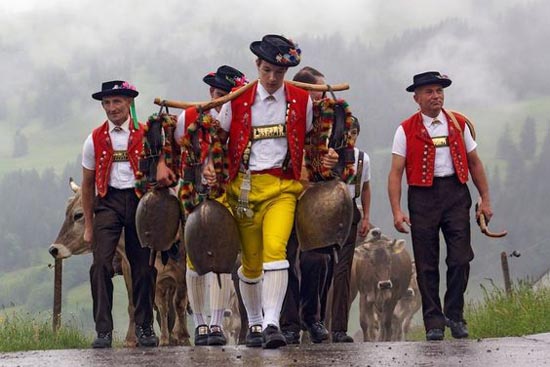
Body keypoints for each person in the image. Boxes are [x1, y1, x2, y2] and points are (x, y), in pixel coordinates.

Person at [203, 34, 338, 349]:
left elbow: (311, 144)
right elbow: (217, 139)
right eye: (267, 71)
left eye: (279, 72)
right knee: (250, 263)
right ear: (257, 66)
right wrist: (211, 165)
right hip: (244, 191)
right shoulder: (236, 99)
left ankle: (273, 323)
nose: (273, 78)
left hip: (282, 188)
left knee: (276, 251)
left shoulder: (302, 101)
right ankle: (255, 323)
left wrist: (325, 157)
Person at [388, 71, 493, 341]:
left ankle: (455, 315)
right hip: (422, 198)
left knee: (461, 258)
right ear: (417, 98)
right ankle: (433, 322)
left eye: (439, 91)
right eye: (429, 92)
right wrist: (397, 211)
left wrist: (486, 198)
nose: (436, 96)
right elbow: (395, 172)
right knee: (426, 264)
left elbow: (475, 162)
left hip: (456, 194)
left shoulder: (457, 124)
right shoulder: (405, 129)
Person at [156, 65, 248, 346]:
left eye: (227, 95)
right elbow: (171, 149)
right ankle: (199, 325)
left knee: (221, 260)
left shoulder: (241, 120)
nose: (221, 100)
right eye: (218, 94)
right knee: (194, 258)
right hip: (193, 194)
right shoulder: (189, 118)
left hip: (228, 192)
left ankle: (217, 324)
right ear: (211, 92)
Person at [82, 80, 158, 348]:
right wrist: (89, 227)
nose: (112, 108)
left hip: (140, 202)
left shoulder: (147, 133)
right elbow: (88, 185)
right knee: (100, 264)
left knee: (144, 267)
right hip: (108, 202)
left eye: (117, 102)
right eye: (107, 103)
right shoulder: (93, 139)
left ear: (129, 103)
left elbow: (161, 168)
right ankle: (103, 331)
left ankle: (145, 327)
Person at [280, 66, 332, 344]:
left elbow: (346, 161)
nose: (323, 98)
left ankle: (312, 317)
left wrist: (334, 159)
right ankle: (289, 322)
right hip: (285, 195)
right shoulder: (283, 117)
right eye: (318, 93)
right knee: (284, 259)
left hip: (316, 200)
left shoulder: (332, 121)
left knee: (317, 259)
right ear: (302, 93)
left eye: (325, 93)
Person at [329, 116, 372, 343]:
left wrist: (366, 216)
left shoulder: (362, 159)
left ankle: (338, 329)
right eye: (346, 134)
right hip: (324, 215)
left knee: (343, 272)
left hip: (350, 214)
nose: (350, 138)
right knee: (322, 268)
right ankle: (313, 322)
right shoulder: (328, 156)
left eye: (353, 133)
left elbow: (365, 188)